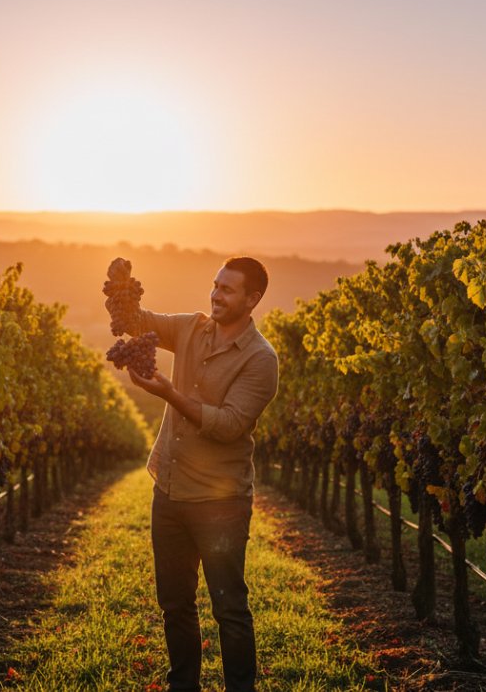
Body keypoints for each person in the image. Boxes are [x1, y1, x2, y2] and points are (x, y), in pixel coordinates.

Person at [114, 255, 279, 692]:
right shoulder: (191, 326)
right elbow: (139, 320)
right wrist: (121, 287)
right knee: (175, 604)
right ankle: (183, 685)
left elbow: (228, 425)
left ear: (252, 299)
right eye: (215, 285)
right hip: (169, 490)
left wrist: (169, 392)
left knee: (229, 608)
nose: (216, 294)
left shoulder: (262, 360)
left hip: (220, 502)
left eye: (227, 289)